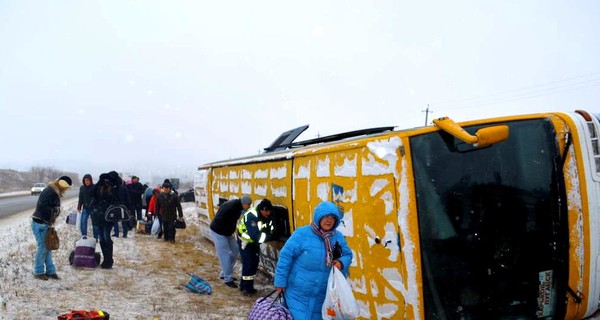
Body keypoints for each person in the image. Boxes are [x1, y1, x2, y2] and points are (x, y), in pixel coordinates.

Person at [274, 201, 353, 320]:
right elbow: (286, 257)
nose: (329, 220)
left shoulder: (337, 237)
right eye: (326, 216)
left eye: (332, 217)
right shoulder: (302, 234)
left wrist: (341, 263)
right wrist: (280, 281)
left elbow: (347, 255)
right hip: (298, 294)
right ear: (318, 217)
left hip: (324, 296)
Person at [31, 176, 72, 280]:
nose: (66, 190)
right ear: (62, 185)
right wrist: (55, 210)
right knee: (43, 248)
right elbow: (42, 206)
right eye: (66, 188)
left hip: (45, 223)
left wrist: (55, 212)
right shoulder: (50, 191)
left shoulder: (54, 191)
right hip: (39, 223)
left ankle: (50, 271)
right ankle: (38, 272)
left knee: (48, 247)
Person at [89, 171, 131, 269]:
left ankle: (109, 260)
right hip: (98, 216)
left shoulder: (116, 188)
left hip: (109, 216)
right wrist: (100, 181)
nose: (107, 182)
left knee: (106, 237)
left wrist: (113, 184)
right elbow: (91, 193)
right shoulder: (100, 187)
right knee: (102, 239)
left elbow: (118, 199)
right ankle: (106, 260)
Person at [210, 194, 252, 288]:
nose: (249, 207)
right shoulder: (231, 207)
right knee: (225, 255)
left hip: (228, 233)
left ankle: (224, 273)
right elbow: (219, 219)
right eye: (249, 204)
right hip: (218, 232)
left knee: (235, 251)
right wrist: (227, 229)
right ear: (244, 203)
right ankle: (228, 279)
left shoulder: (238, 208)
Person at [236, 198, 274, 295]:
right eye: (267, 211)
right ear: (262, 210)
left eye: (270, 211)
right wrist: (268, 237)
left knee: (254, 263)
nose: (268, 213)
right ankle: (246, 289)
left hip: (253, 243)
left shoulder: (263, 216)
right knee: (249, 264)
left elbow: (267, 228)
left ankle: (244, 285)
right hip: (245, 242)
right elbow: (255, 236)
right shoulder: (251, 216)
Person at [109, 171, 132, 238]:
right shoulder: (124, 188)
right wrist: (129, 207)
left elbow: (111, 198)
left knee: (115, 220)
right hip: (123, 206)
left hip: (114, 205)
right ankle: (125, 233)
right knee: (123, 219)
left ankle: (116, 233)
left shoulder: (113, 188)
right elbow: (128, 198)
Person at [77, 174, 98, 240]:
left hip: (93, 209)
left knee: (95, 224)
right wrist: (79, 206)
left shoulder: (94, 187)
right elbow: (80, 198)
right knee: (83, 223)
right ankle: (84, 237)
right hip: (85, 208)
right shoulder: (82, 188)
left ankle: (95, 238)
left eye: (88, 180)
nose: (86, 182)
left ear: (90, 180)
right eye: (85, 180)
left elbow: (97, 198)